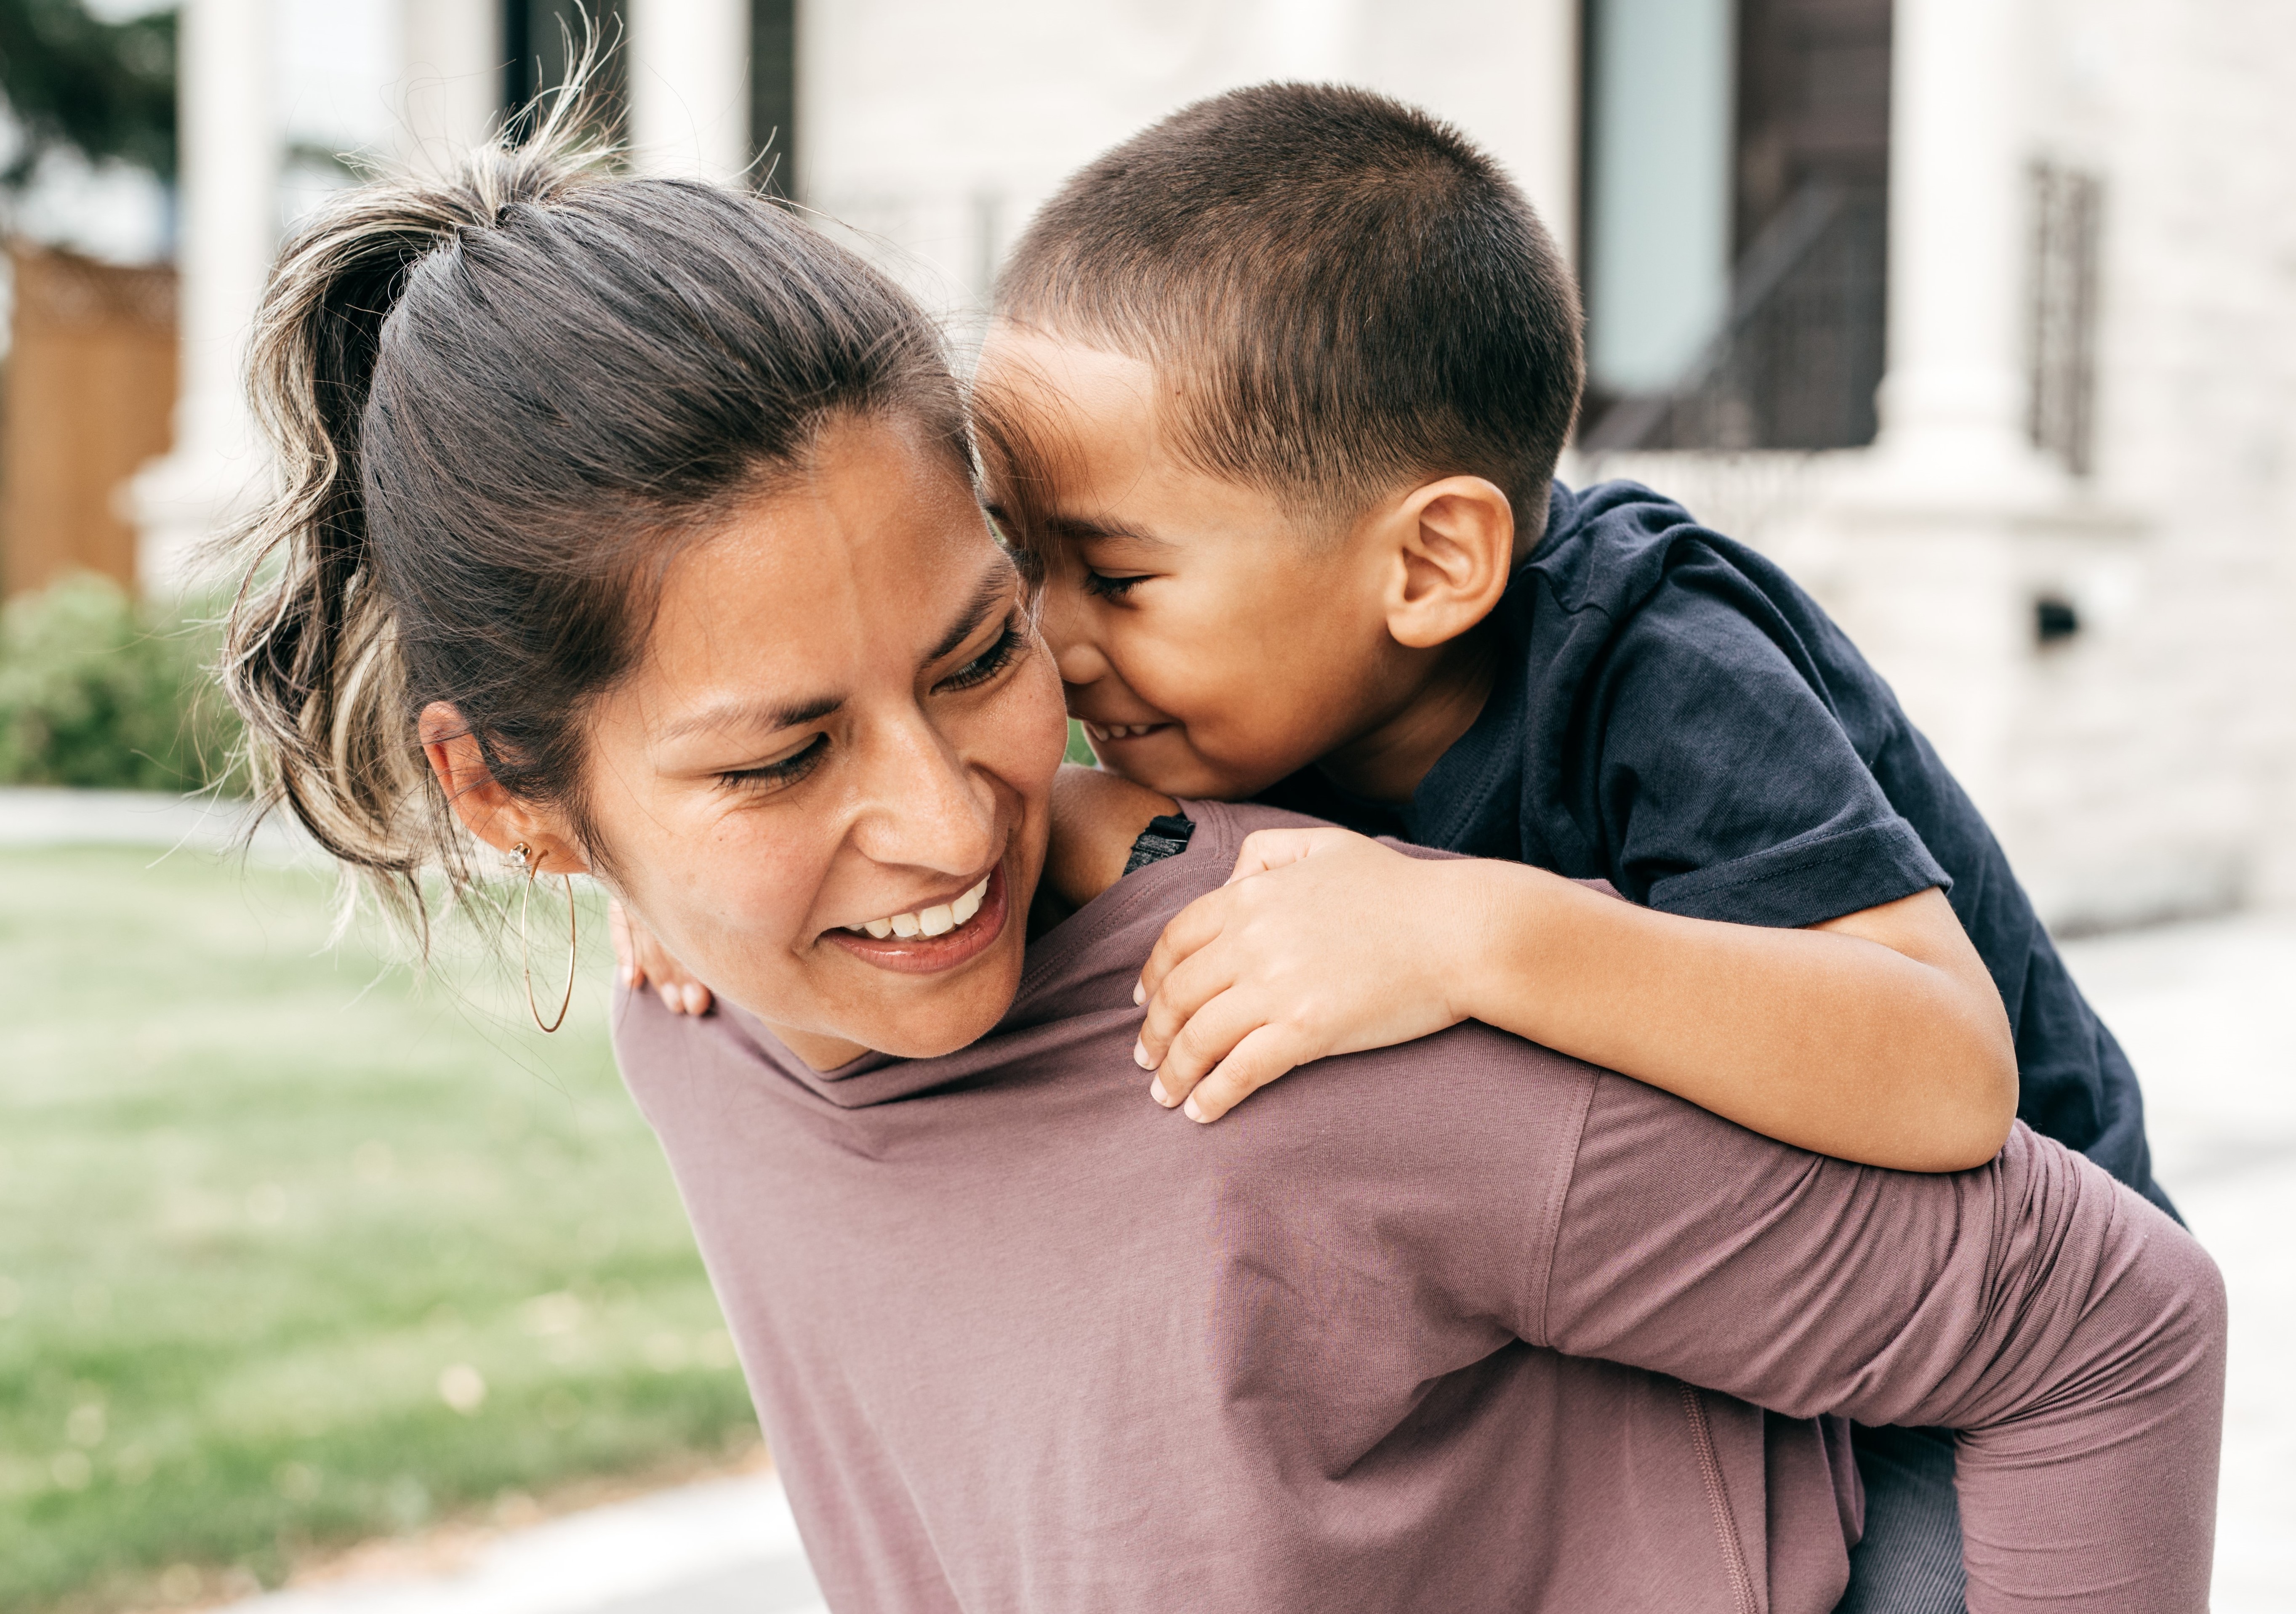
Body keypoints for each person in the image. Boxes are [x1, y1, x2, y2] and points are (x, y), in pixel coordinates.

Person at [220, 117, 2224, 1614]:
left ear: (1426, 564)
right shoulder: (728, 1013)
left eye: (987, 644)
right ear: (519, 805)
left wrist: (1469, 925)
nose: (956, 810)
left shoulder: (1608, 712)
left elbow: (2004, 1165)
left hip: (1948, 1320)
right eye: (776, 755)